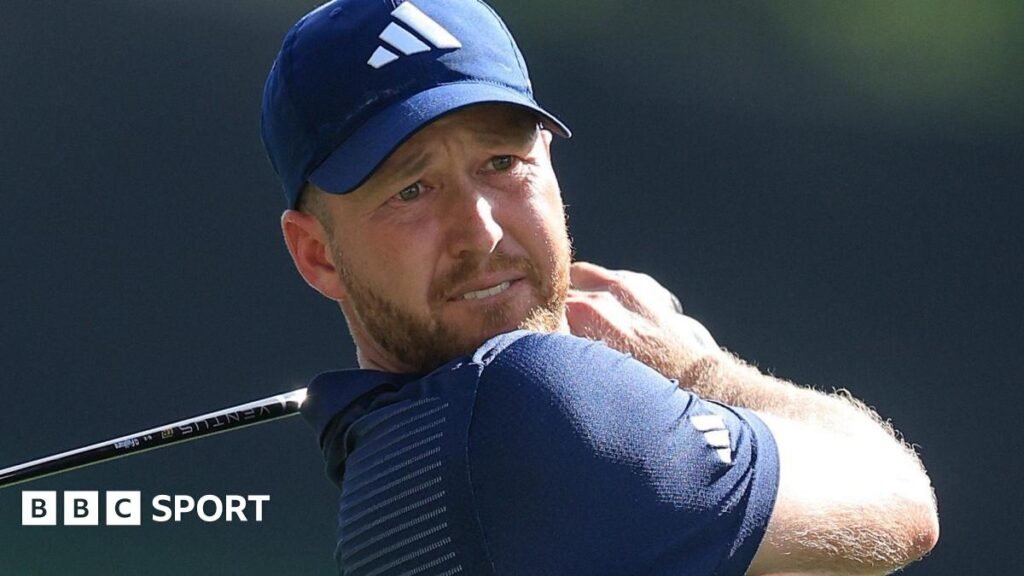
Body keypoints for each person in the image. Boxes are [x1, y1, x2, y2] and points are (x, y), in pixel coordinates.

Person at [260, 0, 939, 574]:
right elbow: (902, 503)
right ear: (317, 254)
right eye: (412, 190)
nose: (484, 231)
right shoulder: (531, 398)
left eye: (502, 163)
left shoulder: (380, 457)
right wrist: (698, 368)